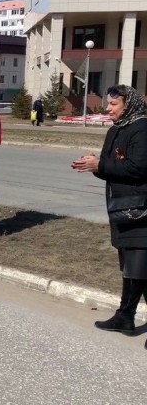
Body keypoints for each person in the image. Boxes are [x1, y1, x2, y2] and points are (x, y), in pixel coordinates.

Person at [71, 85, 147, 348]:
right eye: (108, 103)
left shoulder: (141, 128)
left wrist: (101, 164)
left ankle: (125, 315)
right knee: (132, 268)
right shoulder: (116, 129)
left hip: (141, 209)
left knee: (139, 268)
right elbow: (110, 165)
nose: (107, 108)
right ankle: (124, 317)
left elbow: (139, 168)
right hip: (122, 209)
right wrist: (93, 164)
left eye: (113, 104)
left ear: (129, 104)